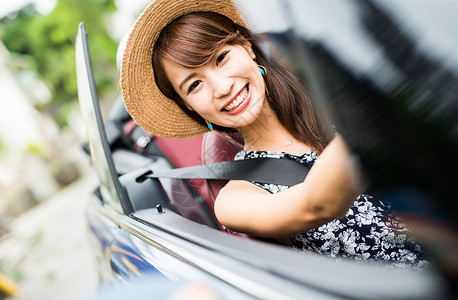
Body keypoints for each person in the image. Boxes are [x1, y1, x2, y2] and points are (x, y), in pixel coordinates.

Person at [120, 0, 429, 268]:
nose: (222, 87)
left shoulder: (330, 97)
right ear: (189, 107)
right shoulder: (233, 199)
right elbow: (318, 204)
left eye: (221, 58)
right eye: (195, 85)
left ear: (247, 47)